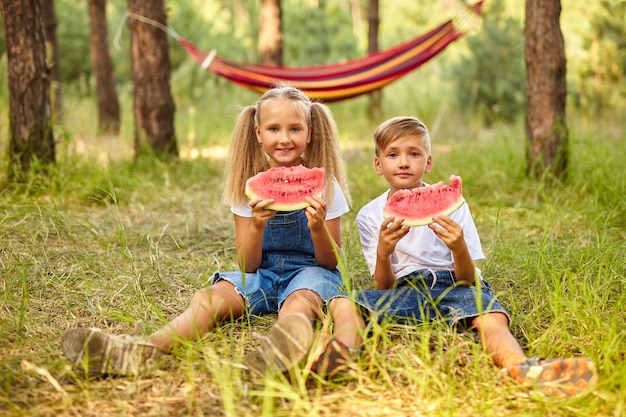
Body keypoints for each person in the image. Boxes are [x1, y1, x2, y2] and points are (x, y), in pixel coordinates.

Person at [61, 85, 363, 378]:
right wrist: (257, 225)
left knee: (298, 304)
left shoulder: (325, 185)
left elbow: (329, 261)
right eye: (273, 129)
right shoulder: (248, 186)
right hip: (264, 274)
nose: (284, 139)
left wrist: (317, 226)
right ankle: (144, 349)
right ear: (258, 133)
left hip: (311, 273)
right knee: (210, 299)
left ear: (310, 133)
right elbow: (247, 265)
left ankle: (284, 349)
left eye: (295, 129)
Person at [354, 116, 599, 397]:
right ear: (378, 164)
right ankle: (339, 352)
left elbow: (468, 279)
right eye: (393, 154)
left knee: (491, 318)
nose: (404, 162)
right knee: (349, 304)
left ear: (429, 162)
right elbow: (383, 286)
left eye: (414, 153)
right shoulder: (370, 215)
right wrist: (383, 253)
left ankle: (522, 368)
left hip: (457, 285)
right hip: (408, 290)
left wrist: (459, 247)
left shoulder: (454, 205)